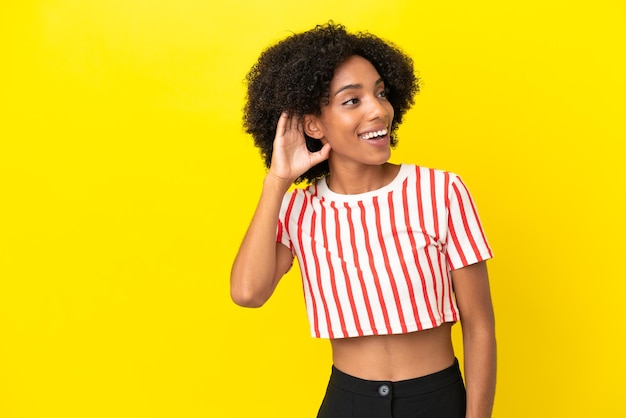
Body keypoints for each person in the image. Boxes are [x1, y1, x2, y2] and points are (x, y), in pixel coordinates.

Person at [231, 22, 496, 418]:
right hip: (348, 402)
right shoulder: (298, 210)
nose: (378, 110)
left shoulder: (441, 192)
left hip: (435, 399)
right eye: (351, 101)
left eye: (380, 93)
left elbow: (479, 327)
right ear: (313, 124)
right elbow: (248, 293)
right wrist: (277, 180)